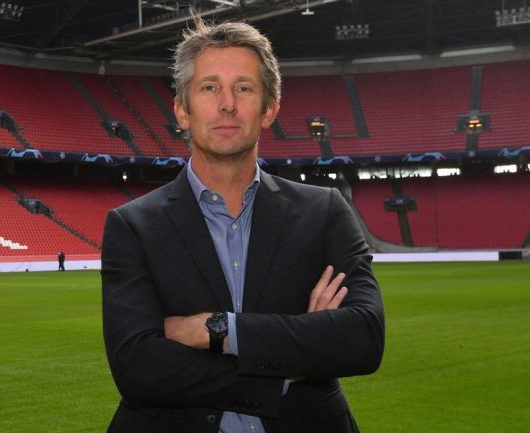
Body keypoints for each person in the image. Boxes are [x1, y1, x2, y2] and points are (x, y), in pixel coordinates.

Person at [101, 16, 384, 433]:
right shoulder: (133, 225)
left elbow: (363, 338)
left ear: (269, 109)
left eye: (244, 88)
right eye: (209, 87)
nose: (227, 104)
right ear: (182, 110)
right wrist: (292, 361)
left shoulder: (324, 210)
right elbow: (139, 368)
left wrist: (216, 329)